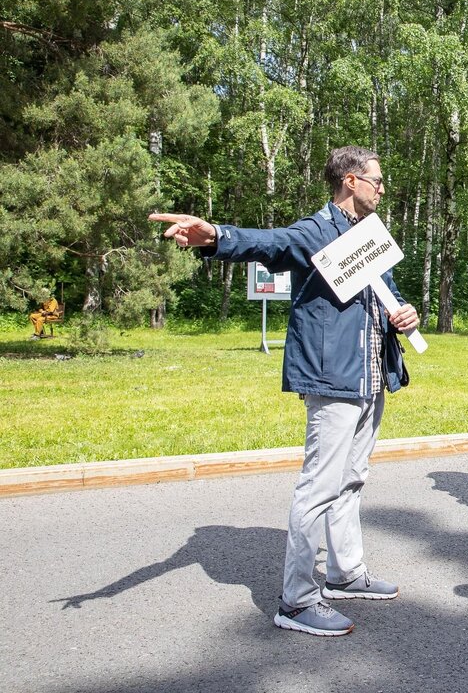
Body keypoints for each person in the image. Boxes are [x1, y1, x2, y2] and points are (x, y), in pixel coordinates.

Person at [150, 146, 419, 637]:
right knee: (319, 487)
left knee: (352, 478)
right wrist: (217, 237)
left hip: (371, 377)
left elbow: (388, 292)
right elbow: (270, 244)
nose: (382, 189)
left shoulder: (371, 237)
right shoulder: (318, 230)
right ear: (350, 182)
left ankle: (345, 574)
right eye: (377, 181)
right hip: (333, 379)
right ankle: (296, 601)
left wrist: (405, 311)